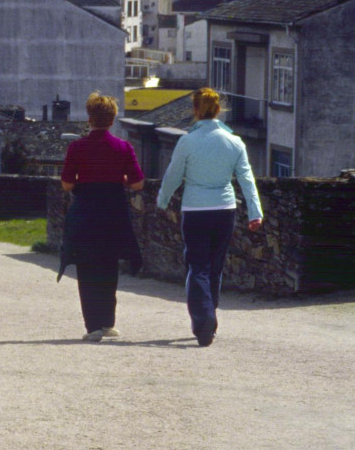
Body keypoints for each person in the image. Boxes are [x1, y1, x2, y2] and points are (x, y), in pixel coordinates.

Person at [156, 86, 263, 347]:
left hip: (195, 210)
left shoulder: (187, 141)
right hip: (225, 209)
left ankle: (203, 321)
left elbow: (173, 175)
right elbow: (247, 179)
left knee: (197, 267)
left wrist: (162, 200)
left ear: (195, 110)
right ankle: (209, 317)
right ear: (218, 110)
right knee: (215, 266)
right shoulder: (234, 142)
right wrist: (255, 211)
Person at [57, 93, 145, 343]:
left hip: (86, 211)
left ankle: (93, 325)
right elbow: (138, 183)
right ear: (112, 119)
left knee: (87, 268)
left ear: (89, 118)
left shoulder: (77, 147)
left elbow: (66, 184)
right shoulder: (123, 147)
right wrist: (120, 179)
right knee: (108, 265)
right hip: (113, 212)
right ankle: (107, 322)